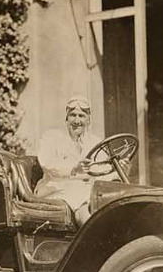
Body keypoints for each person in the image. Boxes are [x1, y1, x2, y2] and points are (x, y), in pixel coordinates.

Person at [34, 96, 124, 226]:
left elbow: (102, 171)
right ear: (66, 118)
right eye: (73, 115)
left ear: (88, 120)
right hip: (56, 189)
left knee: (110, 195)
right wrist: (74, 169)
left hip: (86, 189)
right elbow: (47, 164)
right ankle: (92, 235)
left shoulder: (95, 142)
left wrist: (119, 170)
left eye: (81, 116)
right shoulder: (52, 137)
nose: (77, 120)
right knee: (82, 198)